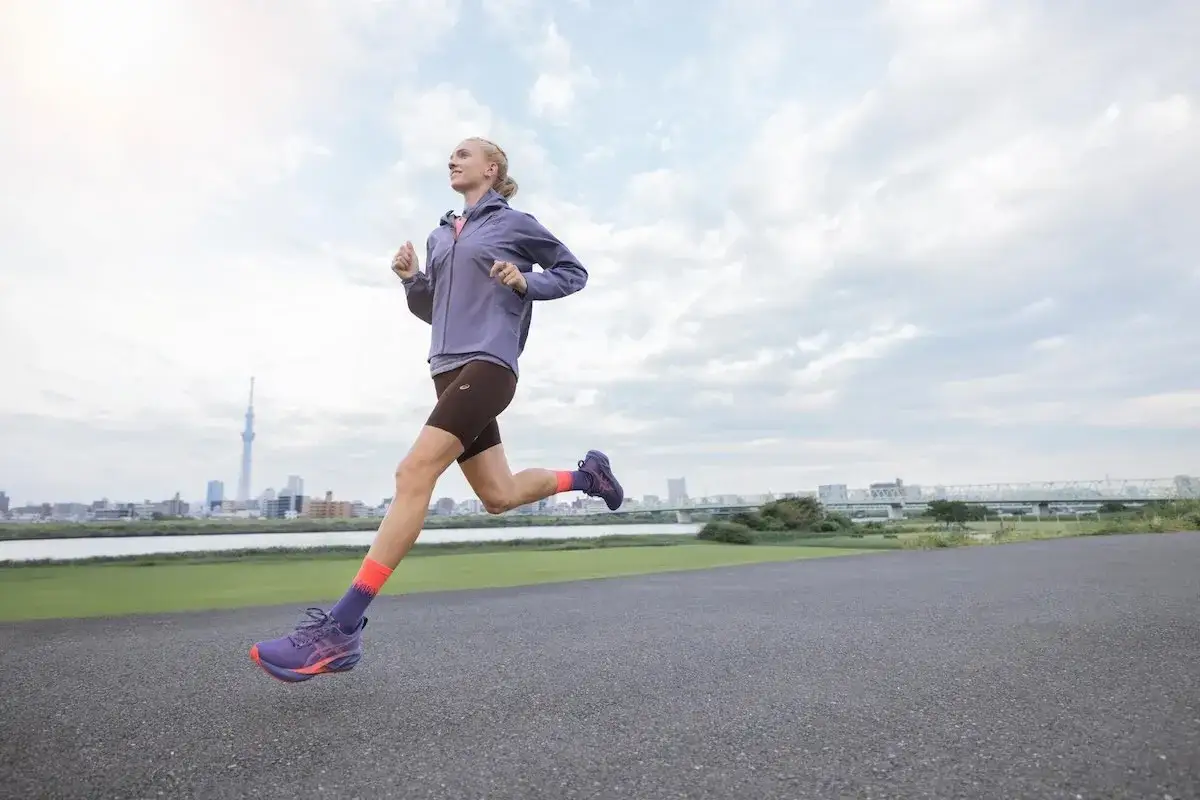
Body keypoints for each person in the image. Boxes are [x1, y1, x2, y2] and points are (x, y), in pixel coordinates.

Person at [249, 137, 624, 682]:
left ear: (491, 169)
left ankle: (341, 629)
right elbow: (435, 308)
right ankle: (589, 478)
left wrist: (526, 281)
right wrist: (410, 280)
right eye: (450, 156)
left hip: (489, 366)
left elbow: (573, 272)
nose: (452, 161)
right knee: (499, 495)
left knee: (414, 472)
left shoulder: (514, 224)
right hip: (446, 369)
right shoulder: (437, 235)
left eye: (463, 155)